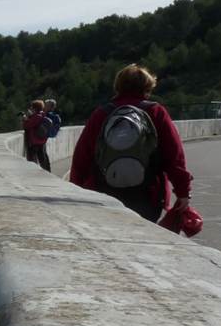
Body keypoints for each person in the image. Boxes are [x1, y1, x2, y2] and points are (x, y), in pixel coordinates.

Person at [69, 64, 192, 222]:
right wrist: (183, 191)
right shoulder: (156, 112)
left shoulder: (102, 113)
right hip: (148, 194)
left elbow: (82, 156)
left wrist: (76, 189)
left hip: (103, 191)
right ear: (147, 87)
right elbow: (174, 156)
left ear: (118, 86)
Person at [22, 99, 51, 171]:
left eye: (32, 107)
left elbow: (27, 126)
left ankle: (37, 174)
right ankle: (46, 173)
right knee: (42, 159)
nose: (31, 109)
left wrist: (25, 119)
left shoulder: (36, 116)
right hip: (41, 141)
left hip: (35, 142)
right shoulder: (42, 115)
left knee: (32, 160)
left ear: (35, 108)